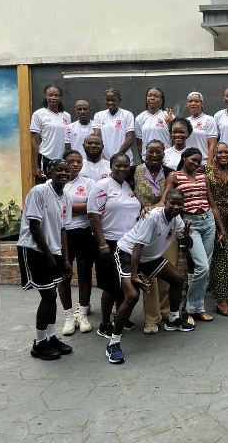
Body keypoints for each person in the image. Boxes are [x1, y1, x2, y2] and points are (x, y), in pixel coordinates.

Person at [106, 189, 195, 364]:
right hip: (127, 253)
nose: (176, 207)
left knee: (177, 279)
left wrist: (186, 236)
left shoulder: (177, 220)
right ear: (165, 203)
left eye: (180, 204)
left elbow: (188, 244)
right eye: (172, 203)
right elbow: (137, 247)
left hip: (148, 257)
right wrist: (134, 275)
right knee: (132, 295)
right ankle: (113, 343)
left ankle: (173, 320)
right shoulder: (153, 217)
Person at [157, 148, 226, 323]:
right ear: (184, 158)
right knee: (202, 266)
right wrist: (149, 208)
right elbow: (165, 200)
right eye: (193, 160)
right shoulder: (175, 176)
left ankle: (198, 308)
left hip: (208, 222)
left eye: (199, 161)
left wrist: (221, 229)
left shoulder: (203, 177)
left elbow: (212, 204)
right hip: (190, 224)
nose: (196, 163)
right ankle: (187, 309)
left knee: (205, 269)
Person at [17, 159, 73, 360]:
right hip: (35, 250)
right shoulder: (39, 191)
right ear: (49, 173)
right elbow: (34, 225)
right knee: (48, 295)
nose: (64, 173)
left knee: (52, 295)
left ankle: (51, 337)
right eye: (59, 170)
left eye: (67, 170)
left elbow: (63, 229)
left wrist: (65, 258)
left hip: (54, 252)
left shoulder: (66, 196)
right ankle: (39, 343)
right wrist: (48, 255)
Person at [88, 153, 141, 338]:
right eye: (118, 165)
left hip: (128, 243)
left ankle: (121, 318)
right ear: (111, 166)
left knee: (123, 283)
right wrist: (102, 244)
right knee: (110, 286)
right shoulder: (102, 186)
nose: (122, 169)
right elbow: (93, 215)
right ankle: (104, 324)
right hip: (108, 242)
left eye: (126, 166)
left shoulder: (128, 186)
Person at [126, 139, 175, 334]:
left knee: (167, 271)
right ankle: (151, 318)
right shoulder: (134, 171)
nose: (154, 154)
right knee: (150, 275)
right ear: (144, 153)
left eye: (158, 151)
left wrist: (152, 208)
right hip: (143, 227)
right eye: (150, 151)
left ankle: (164, 309)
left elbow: (169, 200)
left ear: (164, 153)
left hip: (167, 227)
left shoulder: (170, 173)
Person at [59, 150, 96, 336]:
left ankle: (82, 314)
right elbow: (51, 208)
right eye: (71, 161)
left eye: (78, 161)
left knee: (84, 274)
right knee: (64, 275)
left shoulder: (88, 183)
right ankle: (68, 317)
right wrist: (75, 208)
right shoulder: (55, 183)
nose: (75, 165)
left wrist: (64, 206)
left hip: (83, 232)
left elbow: (91, 207)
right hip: (61, 233)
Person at [205, 142, 228, 316]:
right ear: (214, 155)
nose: (223, 155)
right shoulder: (208, 171)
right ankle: (220, 300)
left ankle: (226, 294)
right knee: (220, 256)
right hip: (216, 214)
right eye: (220, 152)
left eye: (226, 152)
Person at [30, 86, 71, 181]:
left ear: (60, 97)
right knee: (45, 186)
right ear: (46, 96)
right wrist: (35, 166)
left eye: (56, 95)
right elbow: (35, 141)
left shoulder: (66, 116)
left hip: (62, 159)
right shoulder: (39, 114)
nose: (53, 98)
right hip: (45, 157)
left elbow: (68, 139)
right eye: (50, 95)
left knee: (61, 186)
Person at [91, 88, 135, 161]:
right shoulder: (99, 115)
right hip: (104, 160)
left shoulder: (127, 115)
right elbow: (97, 136)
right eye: (107, 100)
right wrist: (101, 155)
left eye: (114, 100)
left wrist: (117, 157)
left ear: (119, 100)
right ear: (103, 99)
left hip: (123, 160)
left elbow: (129, 139)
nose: (110, 102)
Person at [135, 87, 174, 159]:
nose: (152, 98)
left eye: (156, 96)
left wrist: (171, 123)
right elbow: (139, 142)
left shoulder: (168, 116)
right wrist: (142, 159)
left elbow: (175, 138)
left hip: (166, 158)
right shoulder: (139, 118)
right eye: (149, 95)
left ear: (161, 101)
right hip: (147, 158)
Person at [186, 91, 218, 166]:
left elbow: (212, 144)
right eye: (190, 101)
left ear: (202, 104)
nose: (193, 104)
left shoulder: (209, 119)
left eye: (196, 101)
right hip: (187, 163)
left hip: (203, 163)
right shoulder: (185, 121)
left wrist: (209, 164)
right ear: (187, 104)